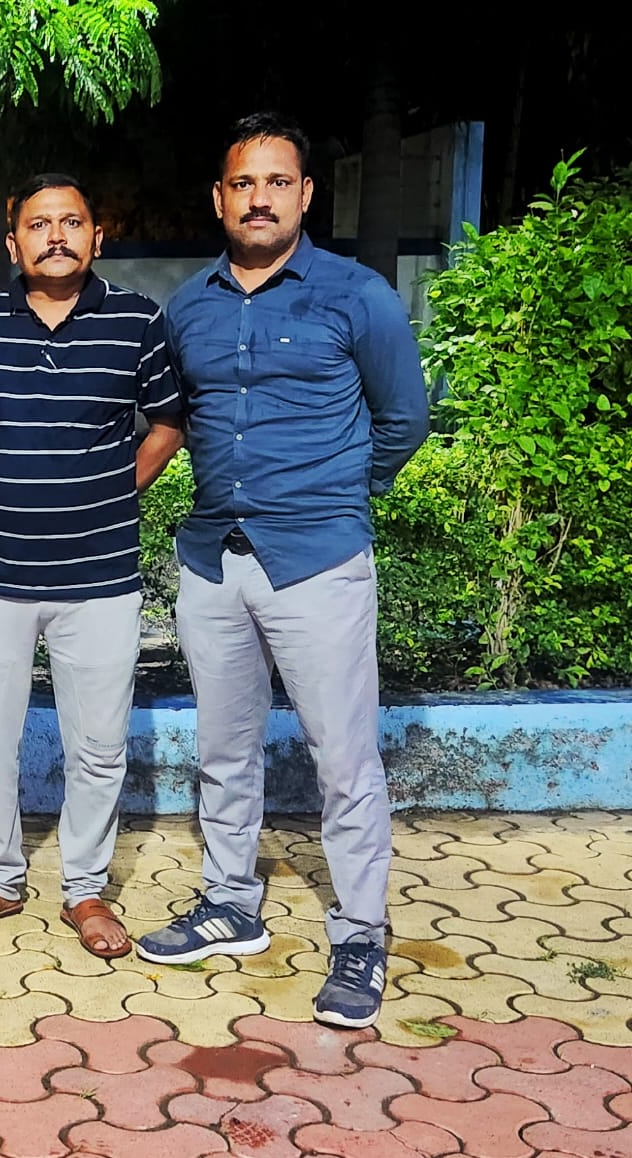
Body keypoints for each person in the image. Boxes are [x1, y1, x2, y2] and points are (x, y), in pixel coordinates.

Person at [136, 113, 430, 1030]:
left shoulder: (357, 295)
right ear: (219, 197)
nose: (258, 198)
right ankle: (231, 903)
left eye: (276, 182)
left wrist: (336, 497)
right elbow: (175, 419)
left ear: (305, 193)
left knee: (344, 759)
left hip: (318, 563)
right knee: (224, 749)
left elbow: (405, 419)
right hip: (213, 560)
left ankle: (361, 935)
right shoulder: (189, 307)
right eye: (242, 183)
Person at [0, 174, 185, 957]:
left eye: (71, 222)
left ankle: (85, 889)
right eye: (38, 225)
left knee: (99, 746)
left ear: (95, 236)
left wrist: (113, 489)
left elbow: (167, 423)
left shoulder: (137, 320)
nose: (55, 236)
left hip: (99, 575)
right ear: (13, 242)